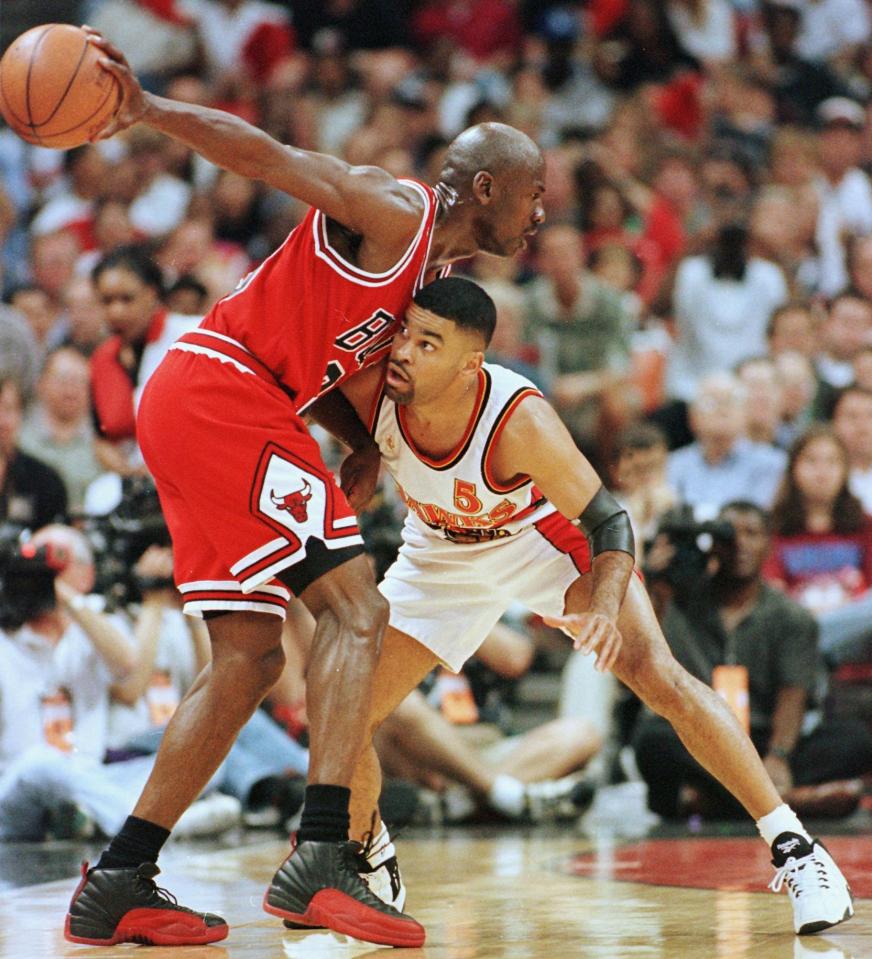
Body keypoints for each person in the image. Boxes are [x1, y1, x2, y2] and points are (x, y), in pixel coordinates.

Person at [64, 30, 545, 949]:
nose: (541, 215)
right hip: (223, 394)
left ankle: (120, 877)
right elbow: (275, 157)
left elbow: (314, 351)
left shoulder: (423, 277)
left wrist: (355, 438)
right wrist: (152, 109)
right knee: (357, 612)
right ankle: (325, 852)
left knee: (247, 658)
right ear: (486, 187)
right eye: (534, 195)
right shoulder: (397, 211)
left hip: (212, 398)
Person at [327, 276, 853, 937]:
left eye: (426, 343)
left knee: (661, 677)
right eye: (405, 331)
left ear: (471, 364)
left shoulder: (518, 419)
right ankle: (369, 859)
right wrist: (363, 445)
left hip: (547, 546)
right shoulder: (375, 381)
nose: (403, 349)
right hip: (440, 557)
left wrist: (603, 607)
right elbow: (316, 392)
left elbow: (610, 520)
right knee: (343, 709)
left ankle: (797, 849)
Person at [634, 500, 872, 821]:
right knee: (652, 740)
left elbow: (794, 692)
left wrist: (778, 755)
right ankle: (787, 803)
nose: (740, 544)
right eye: (730, 535)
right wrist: (655, 582)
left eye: (752, 534)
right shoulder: (681, 599)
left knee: (855, 740)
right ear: (714, 544)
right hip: (702, 737)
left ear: (770, 545)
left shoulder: (791, 616)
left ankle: (714, 804)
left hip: (763, 738)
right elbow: (644, 645)